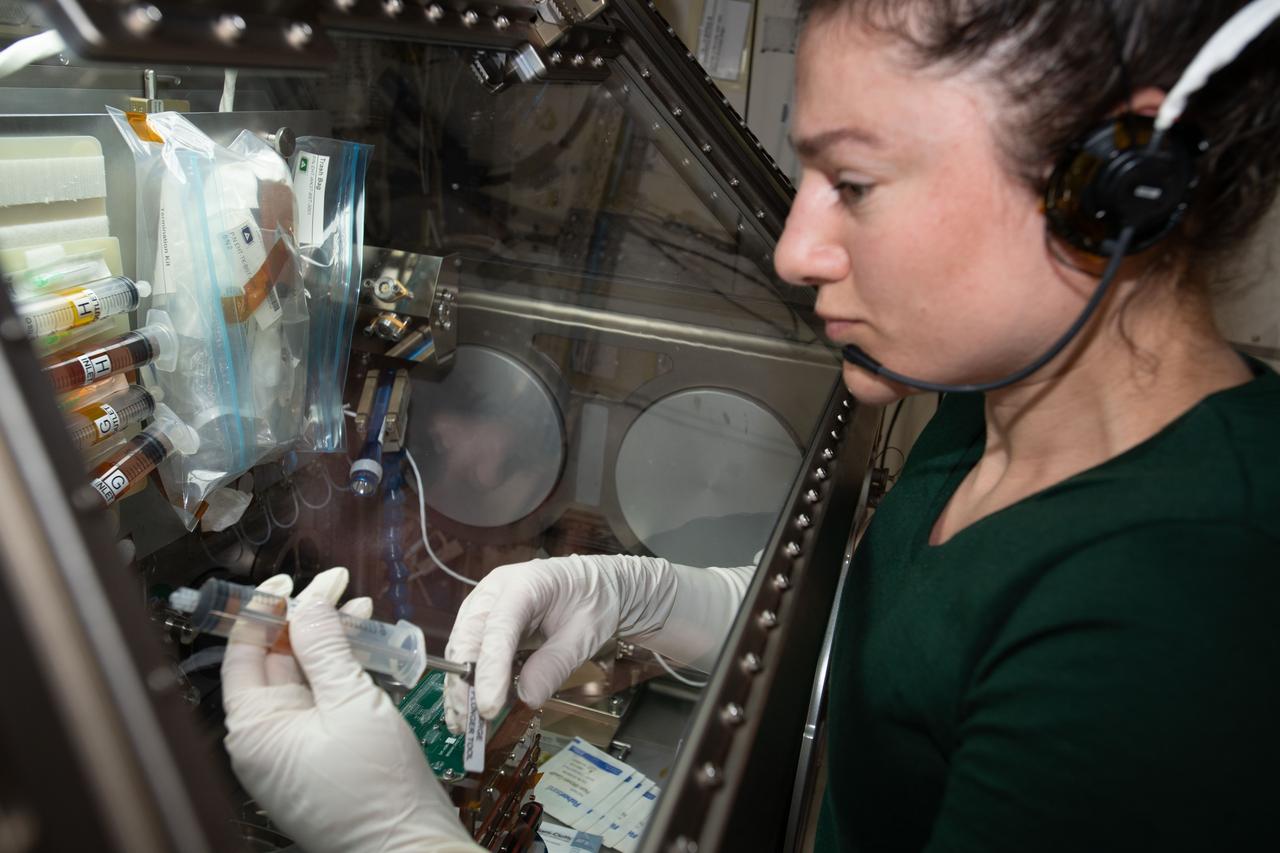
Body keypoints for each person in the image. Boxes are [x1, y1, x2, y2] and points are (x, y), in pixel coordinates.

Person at [221, 1, 1280, 850]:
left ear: (1110, 187)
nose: (792, 248)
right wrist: (664, 601)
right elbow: (919, 654)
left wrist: (398, 839)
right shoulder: (998, 400)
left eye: (852, 182)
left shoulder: (1173, 615)